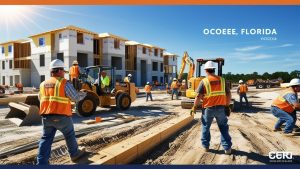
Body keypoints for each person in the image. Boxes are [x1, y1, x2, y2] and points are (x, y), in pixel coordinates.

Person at [37, 59, 86, 165]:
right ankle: (74, 154)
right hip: (62, 117)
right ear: (59, 71)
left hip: (46, 117)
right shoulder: (64, 83)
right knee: (69, 134)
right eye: (63, 71)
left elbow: (40, 98)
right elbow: (76, 97)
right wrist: (84, 94)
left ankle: (41, 162)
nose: (64, 73)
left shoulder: (42, 84)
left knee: (46, 138)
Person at [191, 61, 232, 155]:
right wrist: (227, 105)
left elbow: (198, 96)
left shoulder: (204, 81)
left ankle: (206, 147)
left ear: (205, 70)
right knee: (223, 128)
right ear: (214, 69)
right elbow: (229, 93)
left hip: (208, 109)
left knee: (206, 127)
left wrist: (194, 107)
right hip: (221, 108)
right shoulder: (222, 80)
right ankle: (227, 149)